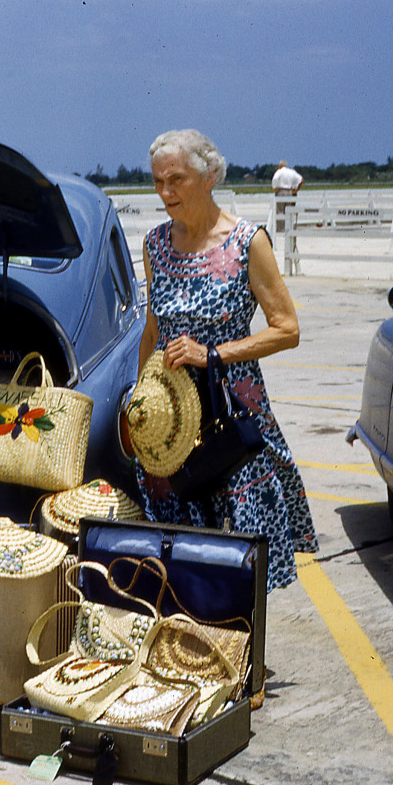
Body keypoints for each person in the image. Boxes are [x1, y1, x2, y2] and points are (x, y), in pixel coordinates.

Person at [136, 129, 317, 592]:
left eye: (176, 179)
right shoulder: (155, 245)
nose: (165, 192)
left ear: (210, 175)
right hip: (170, 417)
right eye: (158, 182)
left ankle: (239, 648)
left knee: (239, 547)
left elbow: (287, 329)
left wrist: (212, 354)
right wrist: (139, 402)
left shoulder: (245, 241)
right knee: (176, 546)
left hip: (231, 410)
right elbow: (153, 331)